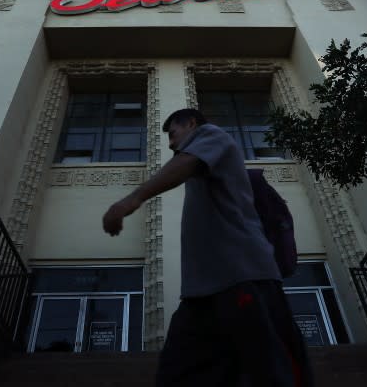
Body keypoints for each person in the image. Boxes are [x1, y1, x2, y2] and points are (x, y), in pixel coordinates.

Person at [102, 108, 309, 387]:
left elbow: (187, 163)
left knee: (268, 371)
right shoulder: (201, 167)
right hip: (200, 293)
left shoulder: (212, 135)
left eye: (172, 131)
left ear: (191, 123)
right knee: (178, 372)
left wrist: (131, 200)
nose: (170, 141)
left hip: (242, 278)